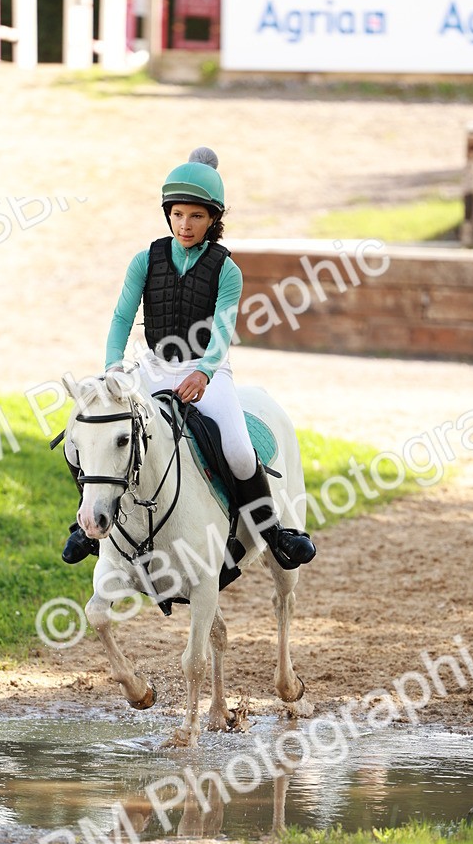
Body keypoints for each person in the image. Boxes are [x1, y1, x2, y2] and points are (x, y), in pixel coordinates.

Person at [62, 146, 315, 571]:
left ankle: (272, 532)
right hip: (152, 367)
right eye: (178, 214)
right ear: (168, 214)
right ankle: (88, 526)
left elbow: (221, 328)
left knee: (236, 449)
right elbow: (123, 315)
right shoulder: (146, 260)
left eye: (196, 216)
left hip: (208, 370)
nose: (185, 224)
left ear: (213, 219)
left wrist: (203, 372)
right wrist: (112, 369)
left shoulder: (226, 270)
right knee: (83, 433)